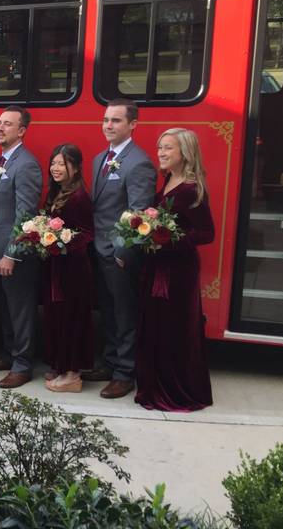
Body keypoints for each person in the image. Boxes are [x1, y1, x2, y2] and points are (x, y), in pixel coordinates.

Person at [136, 128, 215, 412]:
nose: (162, 153)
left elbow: (206, 233)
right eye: (160, 148)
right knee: (156, 326)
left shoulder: (192, 188)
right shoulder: (168, 180)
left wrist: (170, 240)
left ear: (185, 153)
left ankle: (175, 391)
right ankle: (154, 385)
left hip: (179, 273)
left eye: (168, 148)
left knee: (175, 329)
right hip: (158, 267)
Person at [86, 99, 157, 399]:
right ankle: (110, 361)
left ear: (132, 125)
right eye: (106, 120)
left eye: (116, 120)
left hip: (118, 255)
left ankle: (125, 372)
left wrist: (122, 252)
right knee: (108, 312)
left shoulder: (138, 162)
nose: (109, 125)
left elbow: (137, 214)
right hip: (98, 250)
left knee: (124, 313)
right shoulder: (100, 158)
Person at [0, 106, 43, 389]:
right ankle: (10, 354)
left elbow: (25, 215)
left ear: (21, 131)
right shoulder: (4, 160)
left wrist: (11, 253)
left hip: (14, 256)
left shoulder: (26, 164)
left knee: (20, 310)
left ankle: (22, 365)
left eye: (7, 124)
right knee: (5, 309)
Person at [41, 144, 94, 393]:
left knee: (73, 317)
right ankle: (61, 365)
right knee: (59, 316)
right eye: (54, 163)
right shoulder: (58, 192)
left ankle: (73, 375)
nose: (55, 168)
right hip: (58, 266)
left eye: (61, 164)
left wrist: (62, 242)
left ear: (75, 167)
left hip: (74, 268)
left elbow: (86, 234)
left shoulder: (79, 197)